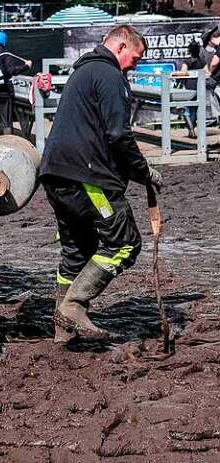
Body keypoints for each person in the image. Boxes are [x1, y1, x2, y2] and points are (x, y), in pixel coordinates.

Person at [39, 25, 163, 341]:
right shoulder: (108, 75)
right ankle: (73, 307)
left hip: (55, 173)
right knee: (125, 243)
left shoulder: (84, 72)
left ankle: (63, 332)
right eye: (135, 58)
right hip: (87, 175)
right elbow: (119, 134)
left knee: (77, 251)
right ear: (121, 46)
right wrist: (143, 172)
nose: (135, 65)